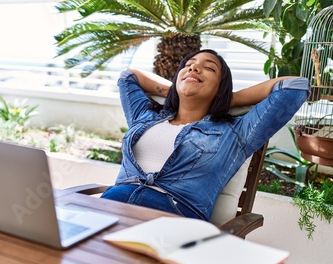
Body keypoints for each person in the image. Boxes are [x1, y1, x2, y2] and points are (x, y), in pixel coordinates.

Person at [101, 49, 310, 222]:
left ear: (221, 88)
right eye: (188, 64)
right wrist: (175, 89)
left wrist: (230, 99)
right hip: (109, 208)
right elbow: (128, 77)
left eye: (209, 67)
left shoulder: (236, 133)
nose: (194, 67)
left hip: (171, 223)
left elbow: (295, 87)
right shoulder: (144, 116)